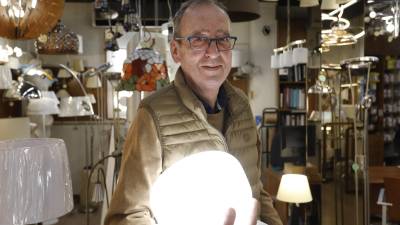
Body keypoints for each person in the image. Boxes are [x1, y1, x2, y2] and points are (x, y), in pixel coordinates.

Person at [105, 1, 283, 225]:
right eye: (198, 39)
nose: (214, 52)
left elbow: (256, 192)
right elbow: (126, 216)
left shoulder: (242, 105)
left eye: (222, 39)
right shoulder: (153, 115)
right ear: (176, 51)